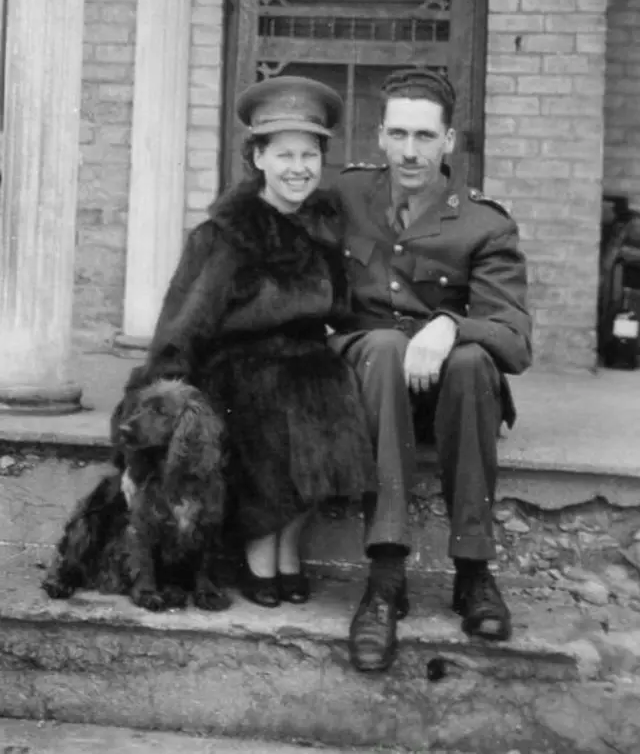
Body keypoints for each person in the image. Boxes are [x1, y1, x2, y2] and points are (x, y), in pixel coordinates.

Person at [129, 75, 375, 609]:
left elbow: (345, 307)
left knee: (333, 387)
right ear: (257, 157)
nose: (298, 168)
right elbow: (181, 328)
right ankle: (260, 555)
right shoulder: (224, 235)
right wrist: (152, 416)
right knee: (275, 400)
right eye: (284, 154)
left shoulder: (325, 230)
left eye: (309, 155)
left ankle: (290, 549)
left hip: (307, 361)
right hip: (235, 370)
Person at [330, 67, 533, 673]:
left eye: (425, 136)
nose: (410, 151)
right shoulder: (342, 197)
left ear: (449, 142)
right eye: (399, 134)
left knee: (473, 361)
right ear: (380, 138)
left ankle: (472, 572)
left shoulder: (483, 223)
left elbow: (515, 341)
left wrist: (450, 325)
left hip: (448, 392)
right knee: (387, 346)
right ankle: (386, 578)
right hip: (369, 377)